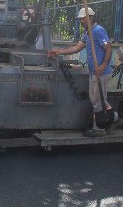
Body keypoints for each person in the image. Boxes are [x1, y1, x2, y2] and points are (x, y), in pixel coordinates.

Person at [47, 7, 116, 136]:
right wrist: (59, 51)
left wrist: (103, 66)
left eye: (83, 19)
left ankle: (100, 128)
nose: (81, 22)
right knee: (95, 99)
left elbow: (108, 48)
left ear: (90, 18)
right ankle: (112, 118)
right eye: (80, 20)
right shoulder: (87, 33)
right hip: (93, 71)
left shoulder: (98, 31)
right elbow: (78, 47)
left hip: (100, 71)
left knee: (98, 100)